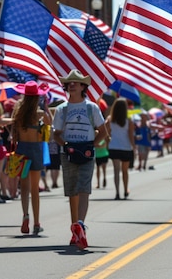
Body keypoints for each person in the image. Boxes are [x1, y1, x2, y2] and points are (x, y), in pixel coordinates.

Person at [53, 70, 107, 249]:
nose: (72, 84)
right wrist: (66, 145)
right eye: (69, 82)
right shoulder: (62, 109)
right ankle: (75, 230)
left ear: (84, 86)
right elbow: (56, 134)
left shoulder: (91, 107)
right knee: (72, 192)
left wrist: (90, 145)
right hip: (68, 154)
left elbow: (103, 131)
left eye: (76, 82)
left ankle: (81, 224)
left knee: (84, 189)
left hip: (86, 153)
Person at [12, 81, 52, 235]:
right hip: (35, 149)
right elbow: (51, 123)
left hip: (22, 148)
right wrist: (46, 106)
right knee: (35, 189)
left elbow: (14, 133)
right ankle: (36, 223)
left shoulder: (18, 112)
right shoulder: (39, 113)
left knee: (24, 187)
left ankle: (25, 217)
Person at [106, 98, 135, 199]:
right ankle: (126, 189)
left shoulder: (110, 119)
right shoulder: (128, 120)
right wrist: (134, 147)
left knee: (116, 171)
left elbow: (106, 132)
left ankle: (117, 192)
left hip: (114, 147)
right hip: (126, 147)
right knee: (125, 171)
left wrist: (108, 141)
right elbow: (131, 135)